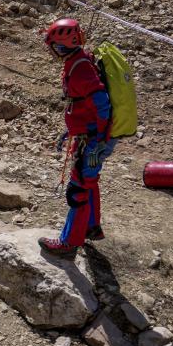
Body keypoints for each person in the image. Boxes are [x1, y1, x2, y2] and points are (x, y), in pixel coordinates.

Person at [39, 18, 116, 259]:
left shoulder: (80, 69)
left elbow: (102, 104)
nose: (51, 50)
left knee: (78, 189)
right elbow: (83, 104)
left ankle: (68, 243)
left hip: (91, 140)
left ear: (62, 45)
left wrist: (99, 140)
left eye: (53, 45)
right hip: (88, 134)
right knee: (88, 181)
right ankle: (91, 226)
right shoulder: (78, 61)